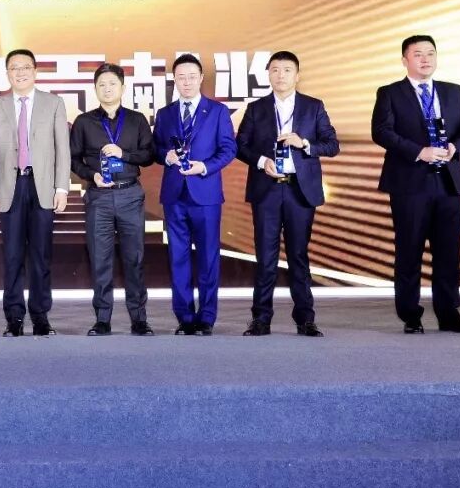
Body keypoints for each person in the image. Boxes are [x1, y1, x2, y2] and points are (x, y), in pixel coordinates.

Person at [371, 35, 460, 334]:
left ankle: (449, 314)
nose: (425, 59)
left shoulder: (453, 91)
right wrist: (419, 151)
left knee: (448, 251)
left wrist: (456, 146)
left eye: (430, 53)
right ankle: (410, 315)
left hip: (448, 181)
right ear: (404, 59)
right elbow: (381, 132)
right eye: (418, 54)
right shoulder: (390, 93)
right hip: (410, 182)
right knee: (409, 249)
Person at [236, 51, 339, 338]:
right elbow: (240, 145)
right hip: (267, 189)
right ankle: (260, 319)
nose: (281, 75)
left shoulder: (313, 106)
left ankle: (305, 319)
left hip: (299, 190)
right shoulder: (256, 108)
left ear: (297, 75)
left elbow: (332, 145)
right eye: (275, 70)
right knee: (265, 257)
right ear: (268, 74)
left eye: (287, 70)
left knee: (298, 255)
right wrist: (261, 162)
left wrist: (304, 143)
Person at [0, 49, 71, 337]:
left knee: (41, 255)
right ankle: (14, 317)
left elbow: (63, 149)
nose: (20, 72)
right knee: (12, 256)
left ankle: (41, 316)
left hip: (43, 186)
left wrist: (62, 187)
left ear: (35, 71)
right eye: (14, 68)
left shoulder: (53, 103)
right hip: (9, 187)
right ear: (7, 73)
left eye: (25, 67)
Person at [153, 53, 237, 336]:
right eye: (181, 77)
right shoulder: (165, 114)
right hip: (174, 195)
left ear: (201, 78)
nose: (186, 82)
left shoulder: (217, 111)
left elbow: (229, 149)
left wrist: (205, 167)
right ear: (174, 80)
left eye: (191, 76)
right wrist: (166, 156)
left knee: (208, 258)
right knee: (177, 257)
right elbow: (155, 149)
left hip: (206, 194)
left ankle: (207, 317)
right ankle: (185, 317)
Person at [70, 63, 155, 337]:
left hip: (130, 194)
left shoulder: (137, 120)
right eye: (102, 85)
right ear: (95, 89)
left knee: (134, 259)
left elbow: (149, 155)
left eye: (112, 84)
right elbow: (73, 159)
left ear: (122, 87)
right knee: (100, 259)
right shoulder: (84, 122)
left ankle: (139, 319)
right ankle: (102, 319)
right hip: (99, 197)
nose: (107, 89)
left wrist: (123, 154)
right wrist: (91, 175)